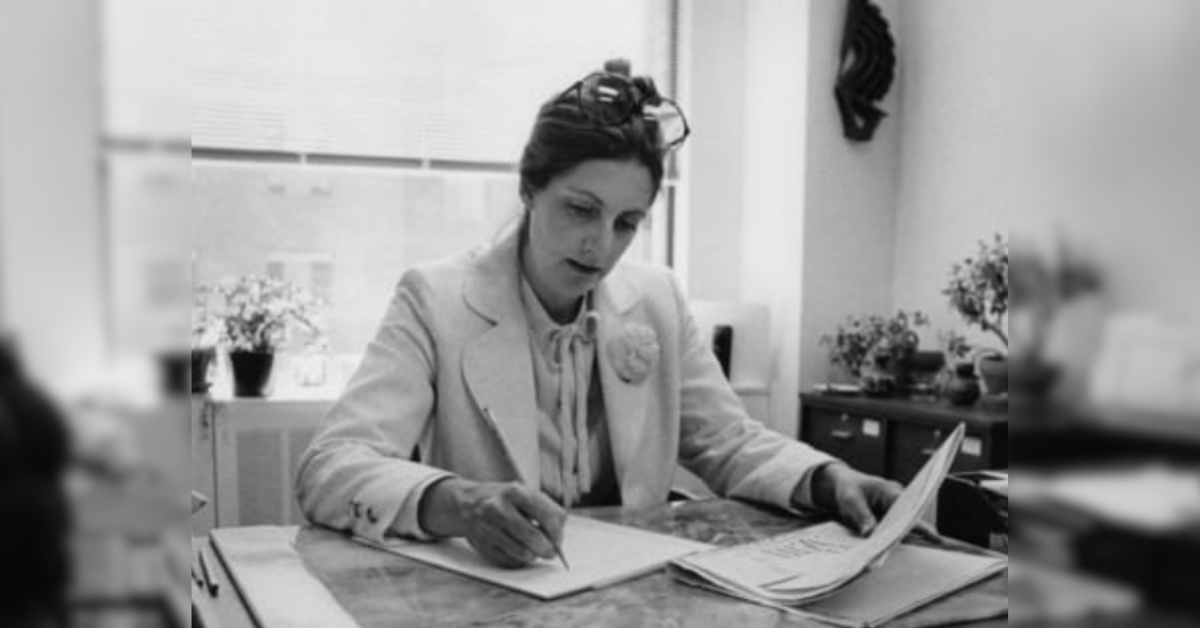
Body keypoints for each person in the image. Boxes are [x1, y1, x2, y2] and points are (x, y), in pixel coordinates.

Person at [296, 60, 904, 568]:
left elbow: (728, 441)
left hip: (633, 589)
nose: (602, 246)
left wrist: (829, 479)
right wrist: (460, 503)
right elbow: (330, 467)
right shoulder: (434, 300)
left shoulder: (658, 299)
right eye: (581, 209)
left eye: (626, 223)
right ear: (529, 189)